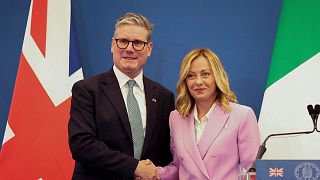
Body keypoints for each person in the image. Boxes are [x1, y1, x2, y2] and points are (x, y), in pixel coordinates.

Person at [68, 12, 174, 180]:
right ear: (112, 45)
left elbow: (167, 153)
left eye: (138, 43)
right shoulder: (87, 90)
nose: (129, 49)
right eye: (123, 41)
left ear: (149, 49)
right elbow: (82, 144)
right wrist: (134, 168)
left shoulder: (164, 97)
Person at [156, 48, 260, 179]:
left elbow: (251, 172)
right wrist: (154, 174)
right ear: (185, 81)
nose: (198, 82)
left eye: (205, 74)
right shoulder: (176, 118)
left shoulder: (242, 115)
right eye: (191, 76)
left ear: (217, 77)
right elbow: (179, 167)